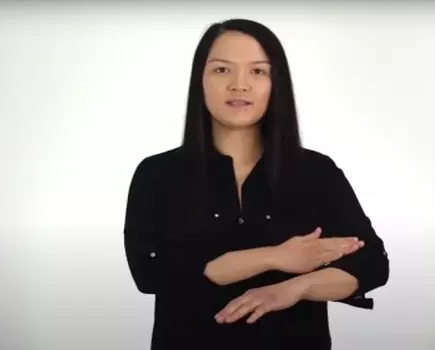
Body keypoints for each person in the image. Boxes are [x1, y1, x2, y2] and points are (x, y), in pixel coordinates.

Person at [123, 18, 390, 350]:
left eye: (258, 71)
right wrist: (275, 257)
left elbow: (371, 263)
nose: (239, 84)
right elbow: (150, 270)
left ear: (275, 84)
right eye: (222, 70)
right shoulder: (157, 174)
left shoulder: (316, 172)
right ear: (200, 81)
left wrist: (293, 289)